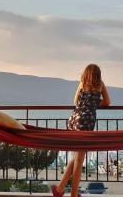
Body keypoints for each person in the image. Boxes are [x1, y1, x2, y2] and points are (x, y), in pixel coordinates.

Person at [51, 64, 111, 197]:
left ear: (85, 73)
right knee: (79, 159)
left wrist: (85, 104)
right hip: (87, 121)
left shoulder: (82, 83)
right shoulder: (100, 84)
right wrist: (94, 103)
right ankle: (73, 194)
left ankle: (60, 189)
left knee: (76, 157)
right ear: (98, 74)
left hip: (75, 119)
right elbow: (107, 102)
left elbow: (75, 101)